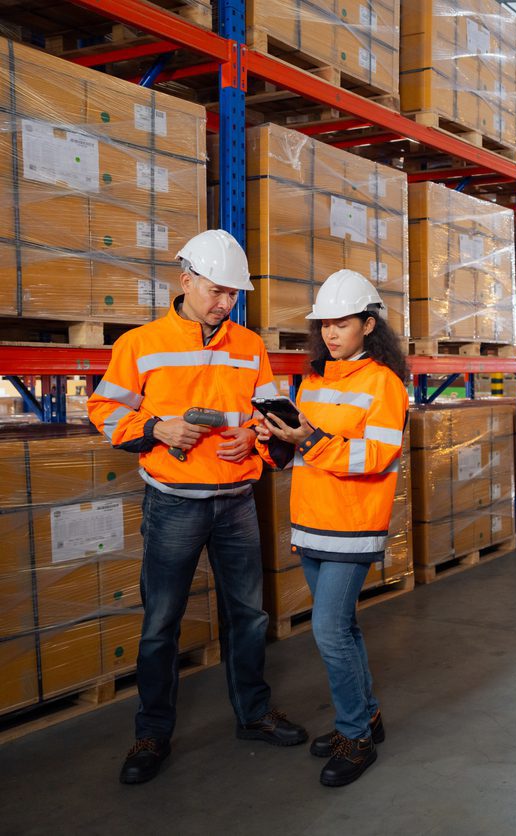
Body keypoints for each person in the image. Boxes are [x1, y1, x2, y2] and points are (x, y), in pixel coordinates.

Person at [87, 230, 308, 785]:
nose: (224, 302)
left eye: (233, 294)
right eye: (215, 290)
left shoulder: (250, 347)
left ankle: (254, 714)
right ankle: (152, 732)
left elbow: (273, 416)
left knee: (249, 616)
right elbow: (105, 411)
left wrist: (253, 440)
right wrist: (157, 427)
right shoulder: (141, 344)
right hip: (173, 505)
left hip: (236, 502)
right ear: (185, 280)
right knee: (161, 623)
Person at [255, 269, 409, 788]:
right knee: (342, 628)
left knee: (328, 632)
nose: (331, 333)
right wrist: (274, 437)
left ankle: (354, 738)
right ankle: (366, 716)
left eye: (342, 323)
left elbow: (376, 455)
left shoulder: (383, 384)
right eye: (325, 325)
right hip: (313, 521)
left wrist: (309, 438)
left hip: (352, 523)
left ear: (369, 324)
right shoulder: (314, 381)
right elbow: (300, 451)